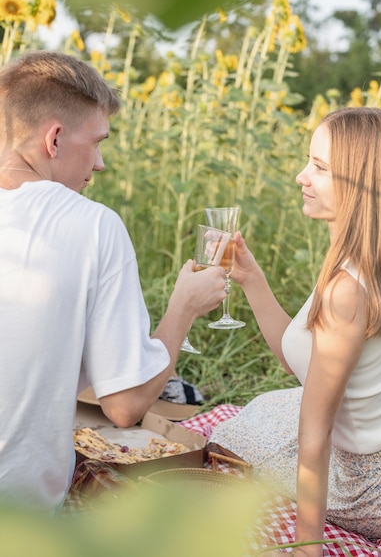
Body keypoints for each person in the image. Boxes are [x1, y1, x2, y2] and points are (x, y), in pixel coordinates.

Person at [0, 50, 227, 510]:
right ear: (55, 139)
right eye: (97, 141)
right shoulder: (94, 226)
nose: (100, 163)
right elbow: (124, 406)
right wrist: (183, 306)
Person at [208, 107, 381, 555]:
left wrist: (308, 544)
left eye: (320, 168)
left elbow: (314, 430)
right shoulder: (361, 257)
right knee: (261, 410)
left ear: (364, 186)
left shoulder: (347, 290)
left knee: (230, 436)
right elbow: (304, 361)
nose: (302, 176)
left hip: (375, 484)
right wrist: (252, 279)